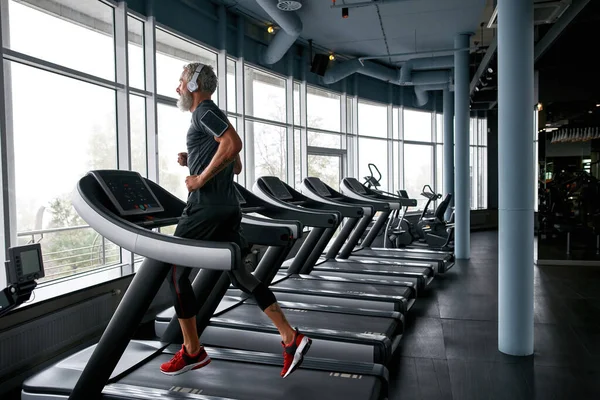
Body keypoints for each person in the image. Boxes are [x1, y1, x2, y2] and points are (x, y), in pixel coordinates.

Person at [159, 62, 311, 379]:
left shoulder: (203, 112)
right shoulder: (214, 116)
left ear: (193, 85)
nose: (177, 87)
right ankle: (290, 336)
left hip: (205, 207)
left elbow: (234, 146)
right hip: (229, 207)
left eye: (180, 80)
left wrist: (199, 178)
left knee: (175, 274)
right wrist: (195, 158)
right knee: (241, 276)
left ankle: (192, 351)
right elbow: (236, 164)